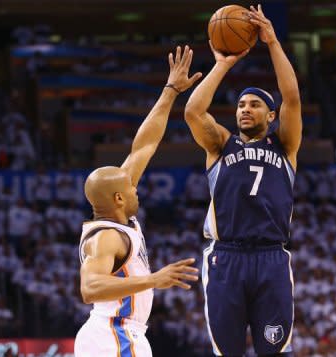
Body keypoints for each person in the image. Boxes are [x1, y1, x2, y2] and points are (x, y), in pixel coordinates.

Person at [184, 5, 302, 356]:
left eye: (254, 105)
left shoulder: (286, 146)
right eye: (240, 105)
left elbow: (292, 97)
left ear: (271, 115)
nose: (245, 109)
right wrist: (223, 63)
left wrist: (273, 42)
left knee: (274, 350)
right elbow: (192, 112)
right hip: (226, 257)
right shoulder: (221, 144)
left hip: (271, 258)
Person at [74, 45, 202, 357]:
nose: (137, 190)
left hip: (119, 332)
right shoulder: (107, 237)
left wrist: (170, 91)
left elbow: (144, 145)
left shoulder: (116, 217)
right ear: (118, 198)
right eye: (131, 189)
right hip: (113, 333)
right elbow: (90, 289)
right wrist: (153, 280)